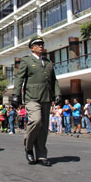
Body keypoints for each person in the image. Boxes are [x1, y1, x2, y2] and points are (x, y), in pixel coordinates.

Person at [12, 36, 61, 166]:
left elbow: (54, 80)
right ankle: (28, 147)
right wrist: (16, 95)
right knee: (36, 120)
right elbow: (19, 78)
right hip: (32, 97)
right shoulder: (26, 61)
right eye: (38, 44)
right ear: (32, 47)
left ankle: (41, 156)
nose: (41, 46)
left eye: (42, 44)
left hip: (46, 97)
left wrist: (57, 93)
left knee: (44, 128)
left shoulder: (48, 62)